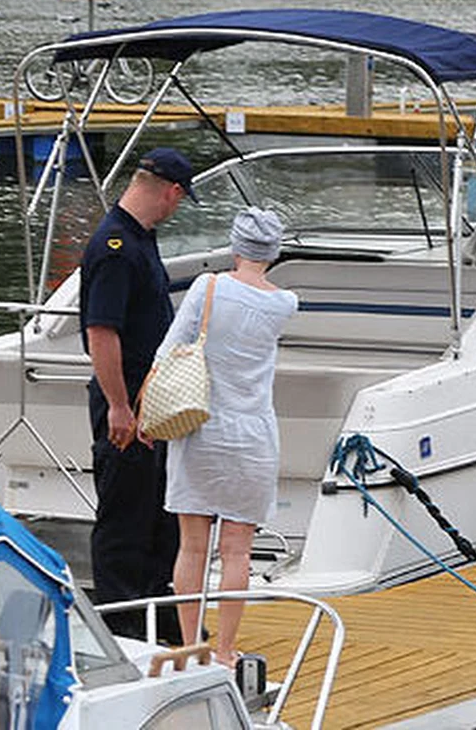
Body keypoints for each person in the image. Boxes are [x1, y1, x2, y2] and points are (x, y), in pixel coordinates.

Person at [158, 207, 298, 668]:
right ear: (273, 253)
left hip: (201, 428)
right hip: (254, 435)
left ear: (236, 247)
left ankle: (188, 647)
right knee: (237, 551)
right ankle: (224, 650)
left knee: (192, 546)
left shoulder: (208, 287)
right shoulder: (285, 303)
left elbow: (169, 349)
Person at [79, 147, 197, 641]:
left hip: (154, 400)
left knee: (158, 513)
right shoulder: (114, 246)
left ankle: (157, 606)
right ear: (170, 192)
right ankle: (122, 620)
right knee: (125, 515)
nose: (176, 208)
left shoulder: (140, 239)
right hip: (125, 398)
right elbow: (101, 333)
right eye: (178, 199)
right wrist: (120, 408)